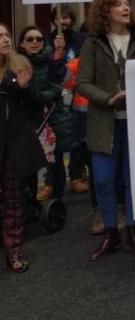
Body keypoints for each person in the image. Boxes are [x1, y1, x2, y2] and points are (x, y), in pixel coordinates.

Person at [77, 0, 135, 261]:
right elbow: (83, 83)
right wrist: (108, 98)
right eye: (117, 4)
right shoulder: (93, 44)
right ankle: (111, 232)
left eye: (126, 3)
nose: (125, 7)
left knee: (132, 179)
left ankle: (133, 231)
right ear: (105, 12)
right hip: (104, 121)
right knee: (103, 179)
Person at [0, 23, 46, 273]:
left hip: (14, 142)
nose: (5, 39)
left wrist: (24, 88)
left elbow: (36, 104)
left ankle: (14, 250)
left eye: (7, 34)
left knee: (14, 199)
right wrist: (12, 88)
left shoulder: (20, 66)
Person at [16, 26, 72, 203]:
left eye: (38, 39)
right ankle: (31, 203)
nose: (34, 42)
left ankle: (57, 202)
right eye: (30, 39)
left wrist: (38, 98)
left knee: (55, 163)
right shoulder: (16, 63)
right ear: (22, 43)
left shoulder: (53, 59)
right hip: (27, 120)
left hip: (51, 119)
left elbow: (57, 87)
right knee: (29, 165)